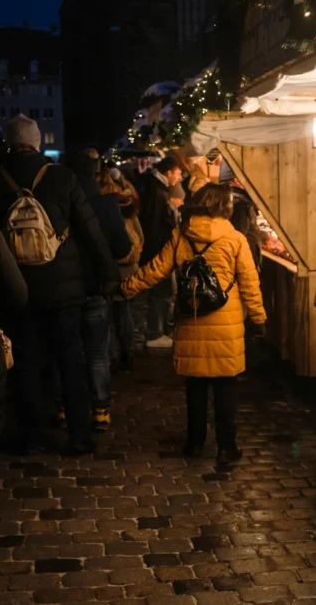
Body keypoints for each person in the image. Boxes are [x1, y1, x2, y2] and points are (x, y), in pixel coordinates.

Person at [121, 183, 266, 464]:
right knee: (226, 387)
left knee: (196, 386)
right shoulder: (235, 239)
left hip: (192, 319)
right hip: (227, 324)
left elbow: (155, 270)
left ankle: (195, 443)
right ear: (224, 207)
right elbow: (250, 284)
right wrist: (258, 318)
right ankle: (227, 447)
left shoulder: (180, 235)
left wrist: (127, 287)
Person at [0, 116, 117, 454]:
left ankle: (29, 435)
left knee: (26, 363)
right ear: (37, 142)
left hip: (16, 289)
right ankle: (79, 435)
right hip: (64, 288)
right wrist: (107, 273)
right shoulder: (63, 177)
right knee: (70, 361)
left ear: (9, 142)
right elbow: (90, 229)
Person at [60, 151, 131, 431]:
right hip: (96, 287)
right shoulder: (105, 205)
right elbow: (123, 248)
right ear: (94, 173)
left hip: (63, 288)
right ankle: (100, 408)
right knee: (98, 351)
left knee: (65, 350)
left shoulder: (58, 202)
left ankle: (63, 407)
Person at [97, 166, 144, 372]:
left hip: (112, 267)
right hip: (127, 269)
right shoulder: (128, 206)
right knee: (123, 314)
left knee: (107, 316)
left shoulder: (101, 207)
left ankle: (111, 356)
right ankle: (127, 353)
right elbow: (140, 239)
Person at [136, 155, 184, 349]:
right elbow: (153, 225)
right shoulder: (157, 191)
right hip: (158, 251)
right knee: (160, 292)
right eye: (178, 173)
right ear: (169, 172)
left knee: (161, 292)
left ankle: (158, 331)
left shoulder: (156, 188)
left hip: (156, 249)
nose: (179, 178)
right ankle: (155, 333)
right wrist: (163, 251)